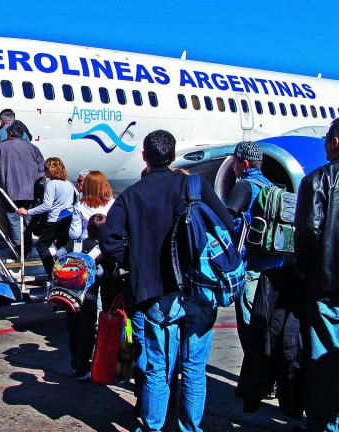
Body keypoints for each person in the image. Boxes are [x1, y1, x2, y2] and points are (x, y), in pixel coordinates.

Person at [100, 130, 233, 431]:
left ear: (144, 157)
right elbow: (227, 227)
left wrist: (135, 262)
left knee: (157, 368)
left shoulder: (132, 195)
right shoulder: (195, 185)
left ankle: (153, 426)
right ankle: (190, 427)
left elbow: (110, 243)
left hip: (157, 291)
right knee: (195, 368)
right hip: (200, 289)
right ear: (172, 156)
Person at [224, 141, 286, 405]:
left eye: (235, 162)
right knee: (267, 327)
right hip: (276, 267)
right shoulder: (272, 188)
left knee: (250, 328)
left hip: (251, 270)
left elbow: (227, 218)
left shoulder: (244, 186)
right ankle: (269, 380)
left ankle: (255, 383)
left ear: (244, 163)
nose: (234, 166)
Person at [294, 118, 339, 432]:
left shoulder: (319, 179)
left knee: (324, 352)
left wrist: (303, 268)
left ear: (335, 142)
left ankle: (324, 423)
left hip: (327, 280)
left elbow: (309, 230)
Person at [66, 213, 114, 380]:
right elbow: (101, 274)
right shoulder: (101, 250)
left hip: (70, 295)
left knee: (73, 330)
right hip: (88, 298)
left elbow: (59, 254)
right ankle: (82, 367)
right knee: (86, 333)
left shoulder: (76, 243)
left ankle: (74, 363)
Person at [0, 121, 44, 251]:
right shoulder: (33, 148)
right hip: (31, 192)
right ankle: (26, 249)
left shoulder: (0, 148)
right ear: (22, 134)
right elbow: (41, 171)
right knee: (27, 220)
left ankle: (18, 250)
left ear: (9, 133)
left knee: (14, 221)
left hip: (10, 192)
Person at [17, 157, 77, 276]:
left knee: (41, 246)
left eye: (46, 169)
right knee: (62, 246)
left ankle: (52, 272)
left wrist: (28, 212)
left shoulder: (51, 184)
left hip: (54, 220)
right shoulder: (69, 184)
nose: (44, 172)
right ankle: (65, 272)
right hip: (67, 219)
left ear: (51, 170)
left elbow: (47, 205)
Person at [69, 170, 116, 251]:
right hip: (107, 243)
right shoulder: (112, 202)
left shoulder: (79, 206)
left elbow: (74, 234)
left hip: (86, 245)